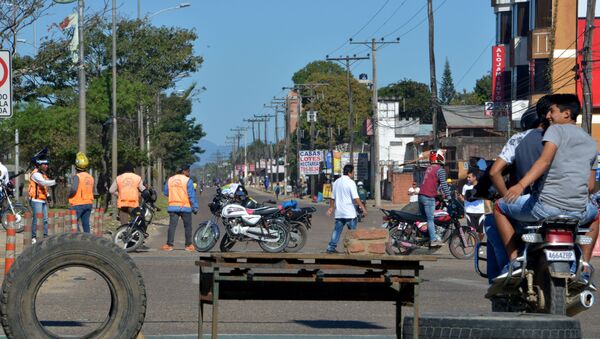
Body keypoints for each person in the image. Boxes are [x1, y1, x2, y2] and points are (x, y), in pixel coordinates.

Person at [495, 94, 598, 279]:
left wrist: (520, 185)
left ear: (566, 114)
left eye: (552, 111)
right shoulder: (591, 143)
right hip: (578, 211)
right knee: (596, 215)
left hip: (545, 208)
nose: (548, 116)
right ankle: (584, 266)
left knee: (499, 207)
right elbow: (590, 185)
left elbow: (544, 161)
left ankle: (514, 262)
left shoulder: (555, 130)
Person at [325, 164, 367, 253]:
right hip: (349, 213)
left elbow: (332, 198)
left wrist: (331, 208)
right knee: (352, 232)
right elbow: (356, 197)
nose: (353, 174)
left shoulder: (336, 182)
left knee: (337, 231)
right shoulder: (351, 182)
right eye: (353, 172)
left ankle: (331, 248)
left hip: (339, 213)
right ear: (349, 172)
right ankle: (353, 249)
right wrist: (363, 208)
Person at [418, 150, 452, 247]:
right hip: (428, 197)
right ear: (440, 158)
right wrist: (449, 197)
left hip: (421, 196)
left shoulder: (429, 168)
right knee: (430, 219)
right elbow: (444, 185)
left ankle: (425, 236)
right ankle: (433, 240)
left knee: (424, 218)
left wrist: (438, 194)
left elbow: (430, 184)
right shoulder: (440, 170)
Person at [161, 164, 199, 251]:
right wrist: (195, 207)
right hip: (185, 207)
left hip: (173, 207)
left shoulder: (170, 180)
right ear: (183, 171)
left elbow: (166, 192)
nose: (189, 173)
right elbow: (191, 196)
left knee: (172, 226)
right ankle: (188, 245)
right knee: (188, 227)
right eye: (188, 171)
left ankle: (169, 245)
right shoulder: (187, 180)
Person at [29, 158, 56, 244]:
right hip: (36, 200)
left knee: (45, 219)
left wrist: (47, 195)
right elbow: (43, 183)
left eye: (47, 164)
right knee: (37, 219)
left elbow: (43, 187)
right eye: (44, 164)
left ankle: (45, 236)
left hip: (42, 200)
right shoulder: (35, 174)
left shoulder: (43, 174)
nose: (46, 166)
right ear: (39, 165)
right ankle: (33, 237)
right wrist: (55, 181)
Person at [68, 152, 95, 233]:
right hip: (89, 203)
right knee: (86, 223)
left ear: (76, 166)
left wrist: (69, 196)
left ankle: (79, 238)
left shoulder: (78, 176)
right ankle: (87, 239)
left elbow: (73, 189)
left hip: (78, 203)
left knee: (74, 222)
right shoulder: (90, 177)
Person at [459, 168, 486, 241]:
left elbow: (485, 198)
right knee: (472, 232)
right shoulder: (465, 187)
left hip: (480, 212)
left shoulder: (481, 186)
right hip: (469, 212)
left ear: (475, 177)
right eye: (467, 177)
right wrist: (461, 198)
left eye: (469, 177)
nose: (467, 179)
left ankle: (478, 243)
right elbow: (463, 198)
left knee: (482, 233)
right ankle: (475, 248)